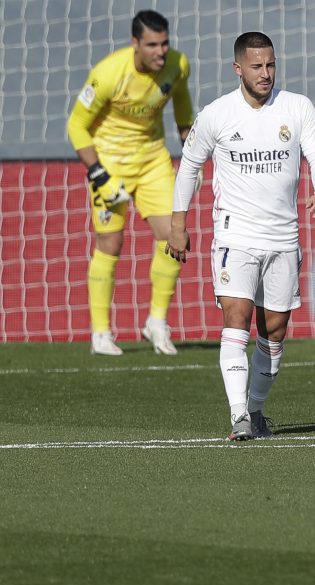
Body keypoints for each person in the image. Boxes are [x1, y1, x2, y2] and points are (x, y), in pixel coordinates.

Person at [168, 32, 315, 441]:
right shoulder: (217, 114)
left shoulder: (297, 107)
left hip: (282, 239)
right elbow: (189, 167)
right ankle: (239, 414)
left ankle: (256, 409)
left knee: (273, 333)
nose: (266, 74)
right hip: (234, 235)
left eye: (271, 65)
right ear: (238, 68)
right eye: (257, 67)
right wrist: (178, 223)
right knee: (236, 320)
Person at [67, 10, 193, 356]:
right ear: (135, 43)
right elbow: (76, 126)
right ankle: (101, 333)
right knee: (110, 243)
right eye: (152, 44)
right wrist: (98, 173)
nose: (160, 52)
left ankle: (156, 322)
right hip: (109, 162)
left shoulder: (178, 65)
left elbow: (182, 103)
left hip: (153, 159)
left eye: (164, 43)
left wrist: (190, 145)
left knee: (173, 235)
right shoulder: (108, 74)